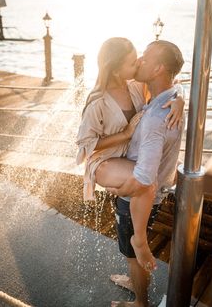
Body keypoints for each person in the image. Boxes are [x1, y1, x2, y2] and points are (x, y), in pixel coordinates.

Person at [76, 37, 184, 274]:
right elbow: (85, 146)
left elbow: (172, 82)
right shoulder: (97, 101)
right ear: (115, 69)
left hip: (128, 160)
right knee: (146, 184)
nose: (138, 63)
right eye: (132, 61)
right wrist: (125, 134)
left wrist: (179, 100)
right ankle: (140, 240)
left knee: (145, 182)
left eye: (140, 58)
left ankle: (135, 267)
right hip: (105, 161)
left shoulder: (136, 86)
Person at [106, 40, 185, 307]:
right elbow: (180, 86)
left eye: (146, 56)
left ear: (158, 68)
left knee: (132, 253)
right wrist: (181, 97)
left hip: (136, 200)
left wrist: (118, 189)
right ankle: (134, 278)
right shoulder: (168, 97)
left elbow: (144, 178)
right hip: (153, 197)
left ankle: (140, 301)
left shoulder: (154, 119)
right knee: (134, 252)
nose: (140, 59)